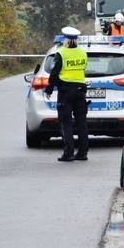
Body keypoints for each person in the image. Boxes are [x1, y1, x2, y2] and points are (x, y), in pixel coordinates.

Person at [45, 26, 89, 162]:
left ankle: (69, 153)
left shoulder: (61, 53)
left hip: (65, 92)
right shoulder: (83, 53)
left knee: (66, 122)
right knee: (82, 122)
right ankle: (82, 153)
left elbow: (54, 73)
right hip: (81, 91)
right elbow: (83, 68)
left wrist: (50, 89)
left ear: (66, 40)